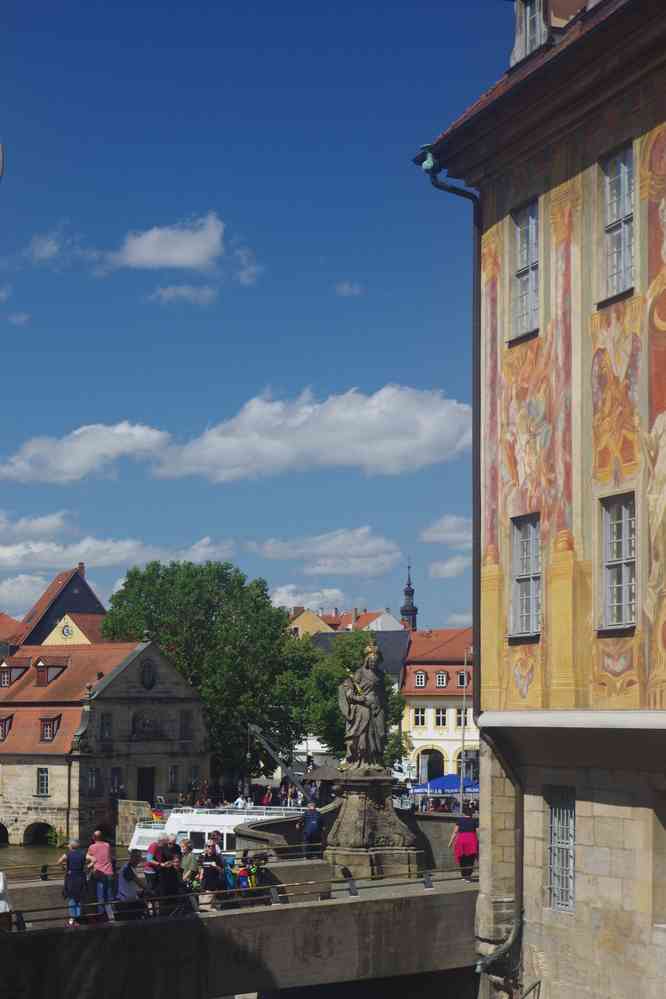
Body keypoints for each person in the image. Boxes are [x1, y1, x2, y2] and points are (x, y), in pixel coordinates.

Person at [86, 830, 115, 920]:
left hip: (99, 873)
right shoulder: (107, 845)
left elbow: (88, 858)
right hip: (109, 872)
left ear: (94, 837)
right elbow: (110, 857)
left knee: (100, 895)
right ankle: (111, 915)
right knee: (109, 894)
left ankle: (101, 915)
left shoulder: (92, 847)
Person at [58, 839, 87, 927]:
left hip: (71, 877)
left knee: (71, 898)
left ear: (71, 846)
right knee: (78, 897)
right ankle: (78, 918)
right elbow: (94, 859)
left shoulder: (68, 854)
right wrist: (88, 867)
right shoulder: (83, 853)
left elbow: (59, 861)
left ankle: (72, 919)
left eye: (69, 845)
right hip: (81, 877)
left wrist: (63, 868)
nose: (68, 846)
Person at [448, 803, 479, 881]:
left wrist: (450, 842)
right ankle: (468, 875)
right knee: (470, 859)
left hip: (461, 840)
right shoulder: (474, 821)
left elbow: (455, 832)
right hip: (472, 841)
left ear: (464, 813)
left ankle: (464, 875)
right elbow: (478, 832)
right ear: (471, 813)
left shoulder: (460, 820)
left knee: (462, 858)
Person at [115, 850, 145, 921]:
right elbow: (138, 882)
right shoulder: (127, 869)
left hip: (130, 899)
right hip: (125, 901)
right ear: (132, 858)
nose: (139, 860)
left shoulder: (130, 868)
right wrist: (147, 889)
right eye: (137, 858)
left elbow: (131, 884)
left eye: (139, 858)